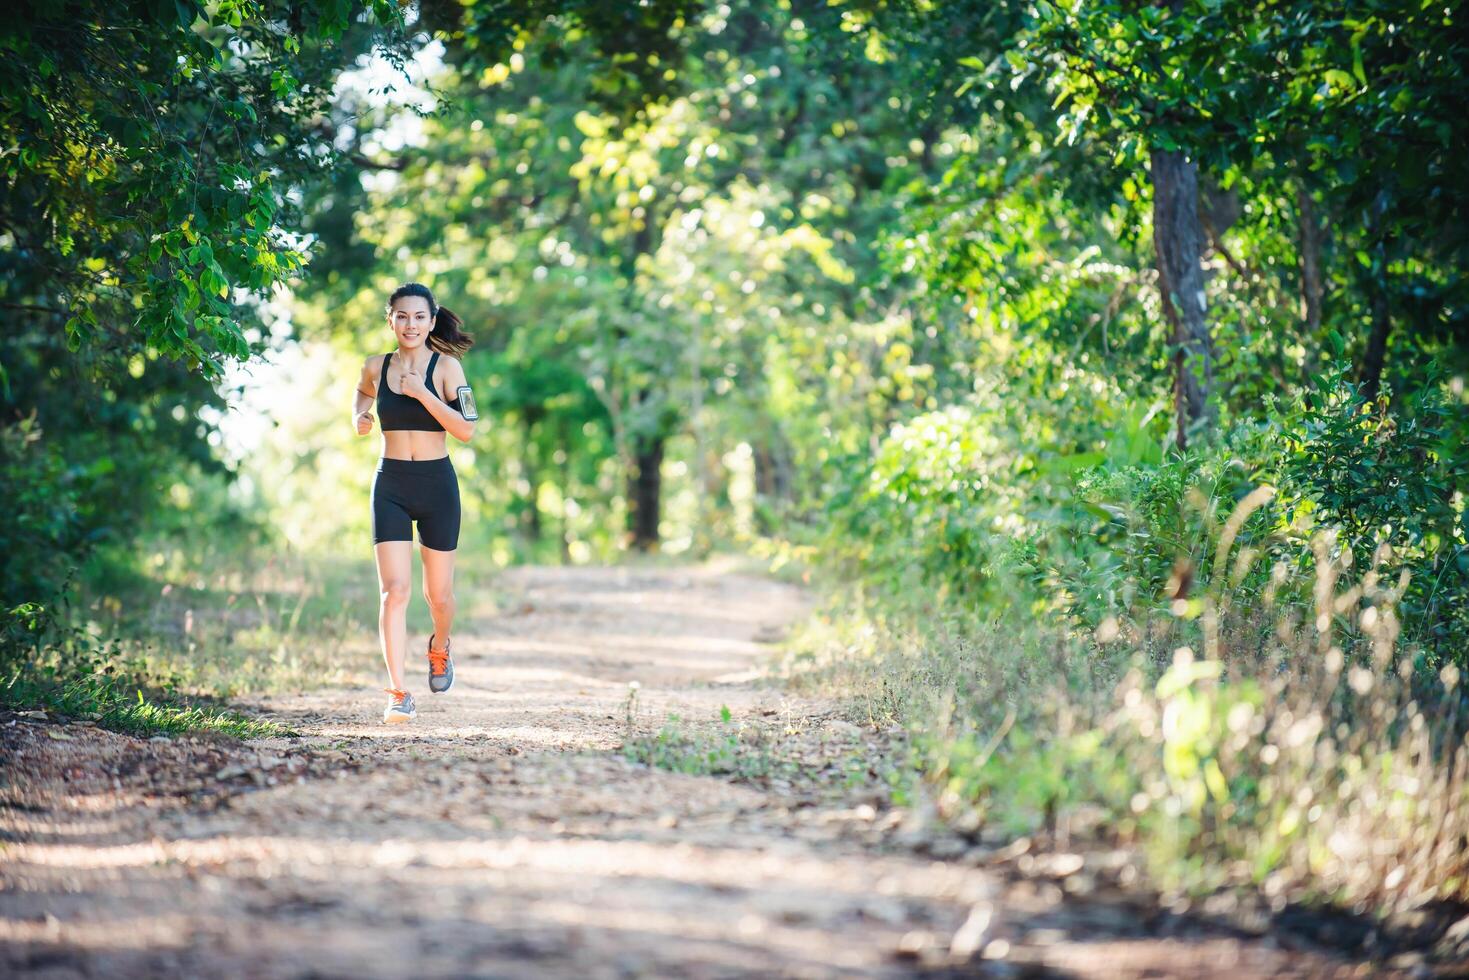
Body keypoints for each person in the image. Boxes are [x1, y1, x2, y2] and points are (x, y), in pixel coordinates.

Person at [351, 283, 476, 723]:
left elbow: (466, 430)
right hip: (390, 484)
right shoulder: (375, 366)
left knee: (437, 596)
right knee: (394, 591)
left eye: (419, 317)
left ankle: (440, 647)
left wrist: (421, 393)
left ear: (431, 319)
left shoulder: (447, 368)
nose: (410, 325)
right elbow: (363, 391)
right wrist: (359, 416)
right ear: (390, 320)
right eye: (402, 316)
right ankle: (398, 692)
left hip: (437, 485)